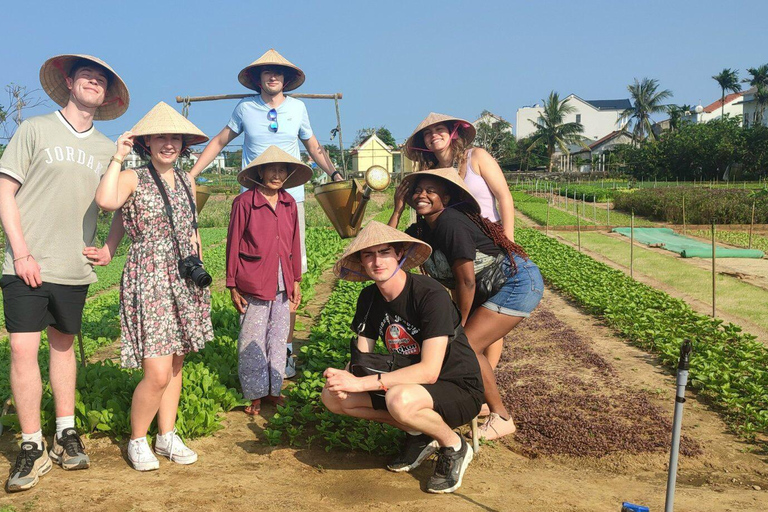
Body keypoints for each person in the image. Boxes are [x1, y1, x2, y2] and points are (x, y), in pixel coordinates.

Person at [0, 54, 129, 492]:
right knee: (21, 349)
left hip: (74, 267)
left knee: (63, 348)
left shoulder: (108, 149)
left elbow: (123, 203)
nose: (94, 81)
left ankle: (66, 433)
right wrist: (21, 254)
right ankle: (32, 444)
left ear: (107, 95)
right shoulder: (35, 129)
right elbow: (5, 191)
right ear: (69, 82)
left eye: (102, 80)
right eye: (86, 75)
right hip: (28, 263)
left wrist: (110, 247)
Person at [188, 48, 343, 377]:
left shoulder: (298, 108)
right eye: (266, 72)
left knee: (290, 276)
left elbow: (314, 146)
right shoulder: (245, 108)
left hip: (290, 201)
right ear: (257, 79)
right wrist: (190, 174)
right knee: (255, 271)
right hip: (253, 201)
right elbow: (218, 141)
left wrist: (334, 173)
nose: (272, 77)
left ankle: (284, 351)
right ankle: (254, 349)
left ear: (286, 79)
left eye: (278, 72)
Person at [321, 221, 483, 494]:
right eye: (368, 255)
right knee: (333, 397)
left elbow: (430, 372)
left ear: (399, 254)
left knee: (400, 400)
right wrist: (344, 376)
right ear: (361, 262)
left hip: (456, 386)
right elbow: (362, 359)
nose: (377, 261)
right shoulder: (369, 298)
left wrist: (361, 384)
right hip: (410, 387)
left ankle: (453, 444)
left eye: (384, 252)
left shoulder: (429, 295)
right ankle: (419, 434)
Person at [94, 101, 213, 471]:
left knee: (176, 364)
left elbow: (190, 227)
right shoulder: (133, 177)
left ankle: (167, 436)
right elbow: (108, 203)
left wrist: (198, 263)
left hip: (183, 277)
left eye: (174, 137)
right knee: (157, 372)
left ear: (182, 143)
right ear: (147, 142)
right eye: (160, 137)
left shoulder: (187, 180)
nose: (168, 144)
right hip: (149, 277)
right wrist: (118, 157)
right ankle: (137, 439)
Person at [388, 169, 544, 441]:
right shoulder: (423, 228)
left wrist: (457, 323)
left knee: (466, 345)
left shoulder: (451, 223)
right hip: (491, 288)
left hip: (516, 283)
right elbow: (386, 248)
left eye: (430, 190)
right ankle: (480, 402)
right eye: (417, 190)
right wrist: (398, 209)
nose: (422, 194)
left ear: (446, 197)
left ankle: (502, 417)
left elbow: (467, 282)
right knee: (462, 346)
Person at [404, 112, 518, 373]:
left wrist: (508, 240)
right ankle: (474, 373)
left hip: (487, 243)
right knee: (465, 303)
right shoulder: (431, 173)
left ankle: (484, 376)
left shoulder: (476, 157)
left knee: (487, 308)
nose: (434, 136)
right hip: (455, 245)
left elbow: (504, 197)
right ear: (424, 142)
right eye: (427, 133)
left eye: (439, 130)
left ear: (453, 132)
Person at [226, 146, 308, 415]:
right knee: (252, 338)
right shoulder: (245, 202)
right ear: (259, 172)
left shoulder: (288, 204)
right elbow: (234, 243)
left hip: (284, 278)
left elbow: (295, 243)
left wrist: (296, 279)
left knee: (277, 335)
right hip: (253, 279)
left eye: (282, 169)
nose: (277, 174)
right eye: (271, 169)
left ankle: (275, 389)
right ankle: (255, 393)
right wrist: (231, 283)